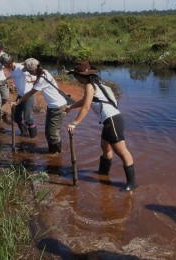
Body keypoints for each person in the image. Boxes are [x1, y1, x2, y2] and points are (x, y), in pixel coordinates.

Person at [65, 62, 137, 191]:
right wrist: (71, 106)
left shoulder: (89, 86)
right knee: (105, 148)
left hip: (112, 120)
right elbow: (85, 101)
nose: (75, 79)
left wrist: (75, 123)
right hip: (110, 121)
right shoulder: (96, 84)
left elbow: (86, 107)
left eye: (75, 76)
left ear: (81, 76)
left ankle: (132, 183)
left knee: (122, 151)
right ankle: (103, 174)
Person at [12, 58, 67, 153]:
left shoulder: (42, 78)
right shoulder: (43, 72)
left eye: (29, 71)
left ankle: (57, 153)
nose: (28, 73)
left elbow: (30, 93)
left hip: (57, 106)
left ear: (33, 69)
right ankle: (53, 151)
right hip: (53, 106)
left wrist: (17, 102)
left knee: (52, 133)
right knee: (49, 132)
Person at [0, 53, 37, 138]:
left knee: (28, 118)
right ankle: (24, 132)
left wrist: (31, 79)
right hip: (20, 95)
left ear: (8, 63)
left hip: (28, 95)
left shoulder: (21, 68)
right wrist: (6, 79)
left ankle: (33, 138)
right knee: (16, 117)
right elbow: (13, 75)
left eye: (5, 65)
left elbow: (35, 76)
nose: (4, 67)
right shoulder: (11, 69)